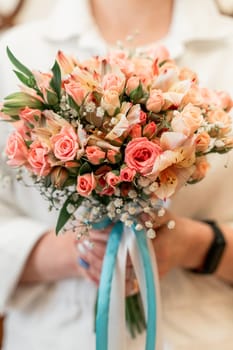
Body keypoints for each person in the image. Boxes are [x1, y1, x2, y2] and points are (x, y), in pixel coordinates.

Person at [0, 0, 233, 349]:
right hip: (51, 336)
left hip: (199, 336)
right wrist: (79, 252)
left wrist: (194, 245)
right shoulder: (14, 50)